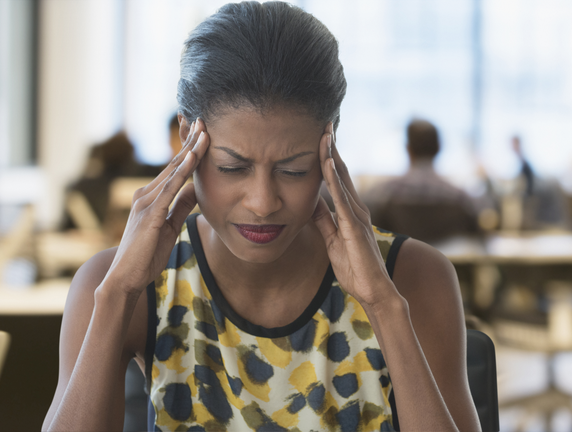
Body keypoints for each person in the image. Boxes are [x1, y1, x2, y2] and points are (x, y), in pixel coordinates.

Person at [42, 2, 480, 431]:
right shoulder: (120, 284)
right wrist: (117, 293)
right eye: (233, 168)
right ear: (186, 138)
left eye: (294, 170)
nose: (263, 202)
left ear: (330, 144)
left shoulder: (412, 276)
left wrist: (383, 306)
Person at [364, 118, 480, 243]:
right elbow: (478, 229)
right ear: (438, 148)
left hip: (398, 261)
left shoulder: (382, 195)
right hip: (448, 261)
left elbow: (366, 227)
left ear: (408, 149)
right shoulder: (460, 198)